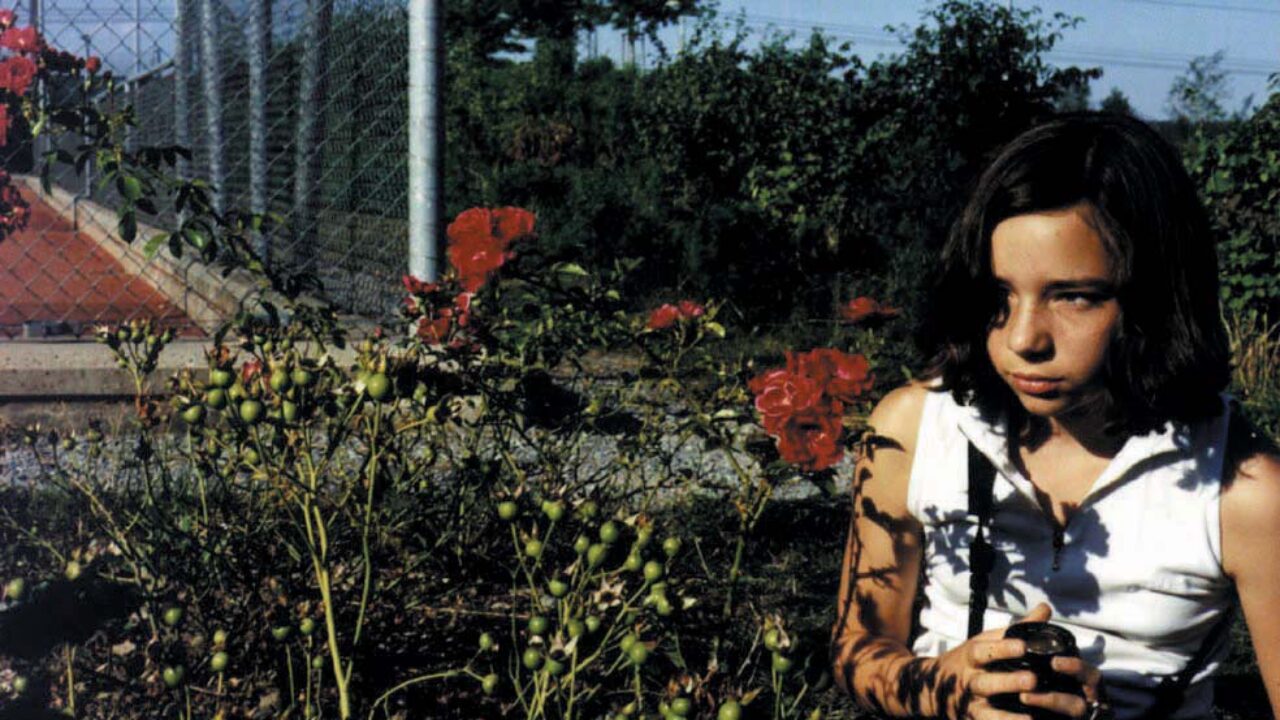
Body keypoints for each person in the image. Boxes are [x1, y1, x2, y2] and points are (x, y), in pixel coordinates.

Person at [830, 113, 1280, 720]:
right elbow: (856, 647)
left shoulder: (1246, 492)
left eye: (1073, 297)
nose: (1024, 339)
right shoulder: (912, 428)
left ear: (1157, 297)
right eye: (1000, 295)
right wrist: (940, 688)